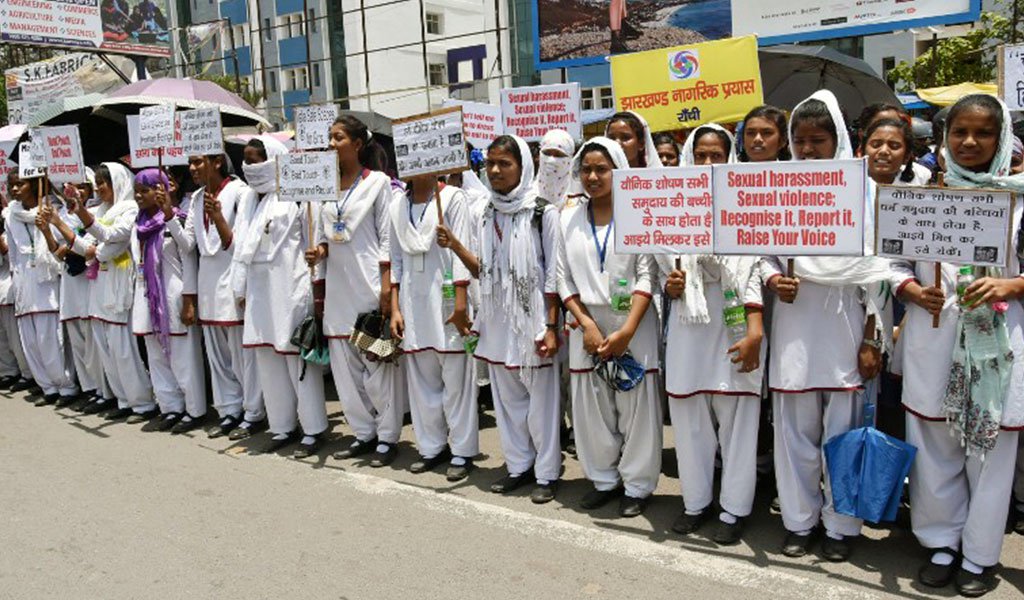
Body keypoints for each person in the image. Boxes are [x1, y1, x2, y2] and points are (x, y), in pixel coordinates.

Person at [760, 90, 899, 562]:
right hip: (794, 333)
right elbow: (763, 252)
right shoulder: (778, 191)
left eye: (817, 140)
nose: (807, 150)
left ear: (836, 139)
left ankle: (841, 527)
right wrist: (776, 278)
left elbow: (879, 275)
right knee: (794, 439)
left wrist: (870, 339)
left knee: (842, 440)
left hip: (845, 332)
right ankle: (800, 522)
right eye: (799, 141)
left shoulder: (865, 194)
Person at [894, 94, 1024, 596]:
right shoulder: (920, 197)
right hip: (934, 338)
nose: (969, 142)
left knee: (990, 454)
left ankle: (980, 555)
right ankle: (941, 542)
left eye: (983, 133)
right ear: (944, 139)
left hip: (999, 349)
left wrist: (1013, 285)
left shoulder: (1018, 201)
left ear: (1001, 140)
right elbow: (893, 264)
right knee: (933, 446)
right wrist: (909, 290)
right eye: (959, 133)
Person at [662, 124, 765, 545]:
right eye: (700, 155)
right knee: (689, 423)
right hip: (688, 327)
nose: (707, 164)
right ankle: (695, 503)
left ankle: (734, 509)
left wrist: (756, 331)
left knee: (737, 424)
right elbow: (657, 268)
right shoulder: (667, 209)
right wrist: (670, 285)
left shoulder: (747, 205)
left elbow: (756, 269)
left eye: (716, 155)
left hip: (734, 325)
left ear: (730, 158)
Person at [557, 137, 661, 516]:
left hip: (632, 322)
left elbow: (648, 275)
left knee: (636, 410)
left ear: (618, 170)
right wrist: (585, 324)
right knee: (591, 409)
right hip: (587, 326)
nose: (593, 176)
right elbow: (562, 279)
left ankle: (637, 486)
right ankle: (603, 479)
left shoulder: (638, 214)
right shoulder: (567, 218)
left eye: (602, 169)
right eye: (586, 169)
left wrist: (627, 331)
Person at [464, 134, 563, 503]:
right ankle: (518, 466)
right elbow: (484, 270)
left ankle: (547, 473)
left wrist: (551, 327)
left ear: (523, 166)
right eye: (490, 163)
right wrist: (456, 247)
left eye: (504, 164)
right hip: (498, 323)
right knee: (507, 405)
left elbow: (554, 275)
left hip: (533, 322)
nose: (494, 171)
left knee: (541, 408)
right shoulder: (484, 212)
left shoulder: (542, 212)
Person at [306, 115, 405, 468]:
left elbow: (385, 238)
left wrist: (384, 287)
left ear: (358, 144)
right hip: (337, 291)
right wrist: (316, 252)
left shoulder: (377, 183)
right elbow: (322, 238)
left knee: (377, 365)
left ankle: (388, 436)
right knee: (345, 370)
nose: (331, 144)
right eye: (329, 138)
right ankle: (363, 433)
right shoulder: (322, 185)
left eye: (338, 138)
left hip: (368, 285)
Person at [233, 137, 330, 458]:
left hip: (290, 287)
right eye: (245, 160)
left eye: (255, 159)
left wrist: (315, 286)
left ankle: (313, 429)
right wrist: (241, 288)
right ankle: (282, 426)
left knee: (296, 362)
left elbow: (314, 239)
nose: (249, 166)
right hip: (259, 292)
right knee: (267, 360)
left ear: (273, 160)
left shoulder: (296, 196)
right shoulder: (249, 200)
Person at [168, 153, 265, 438]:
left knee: (241, 356)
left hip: (232, 281)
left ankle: (253, 413)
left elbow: (240, 244)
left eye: (198, 162)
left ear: (218, 162)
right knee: (217, 357)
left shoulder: (241, 192)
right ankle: (229, 409)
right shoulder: (197, 198)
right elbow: (188, 245)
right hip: (208, 284)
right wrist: (169, 215)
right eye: (191, 163)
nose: (192, 168)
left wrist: (219, 217)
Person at [389, 174, 478, 481]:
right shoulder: (397, 203)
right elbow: (396, 260)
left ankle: (462, 451)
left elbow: (461, 252)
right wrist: (396, 308)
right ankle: (431, 447)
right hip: (413, 304)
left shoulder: (453, 198)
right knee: (422, 383)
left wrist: (461, 304)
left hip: (447, 300)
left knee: (456, 383)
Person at [54, 163, 152, 420]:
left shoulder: (129, 209)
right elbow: (91, 245)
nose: (98, 188)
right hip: (99, 284)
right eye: (96, 182)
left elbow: (110, 238)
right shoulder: (103, 209)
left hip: (119, 283)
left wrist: (92, 243)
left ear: (117, 182)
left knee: (122, 349)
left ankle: (141, 402)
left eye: (102, 183)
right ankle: (122, 400)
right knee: (105, 346)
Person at [128, 168, 207, 433]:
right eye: (136, 190)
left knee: (183, 358)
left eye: (145, 190)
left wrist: (189, 300)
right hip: (147, 298)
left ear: (161, 190)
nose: (139, 195)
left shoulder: (179, 219)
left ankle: (193, 410)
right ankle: (170, 407)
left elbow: (188, 256)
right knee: (157, 357)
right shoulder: (138, 226)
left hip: (173, 297)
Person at [6, 173, 78, 405]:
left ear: (34, 185)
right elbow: (14, 254)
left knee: (51, 339)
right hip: (24, 280)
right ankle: (47, 386)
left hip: (47, 279)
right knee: (31, 340)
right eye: (12, 186)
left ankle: (65, 387)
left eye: (21, 184)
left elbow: (61, 246)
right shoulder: (10, 214)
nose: (15, 189)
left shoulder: (51, 209)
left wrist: (46, 227)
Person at [55, 171, 109, 411]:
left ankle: (104, 391)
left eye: (83, 187)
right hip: (70, 281)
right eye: (72, 187)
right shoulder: (63, 214)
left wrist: (66, 238)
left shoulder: (97, 213)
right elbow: (57, 248)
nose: (77, 192)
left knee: (93, 342)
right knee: (77, 340)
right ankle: (90, 389)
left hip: (89, 282)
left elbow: (86, 248)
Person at [0, 188, 32, 393]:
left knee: (15, 336)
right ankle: (7, 371)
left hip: (8, 287)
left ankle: (27, 373)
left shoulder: (11, 225)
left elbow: (10, 255)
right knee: (1, 337)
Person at [861, 118, 927, 186]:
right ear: (863, 150)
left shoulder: (920, 183)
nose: (883, 151)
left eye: (894, 146)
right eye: (876, 145)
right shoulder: (851, 183)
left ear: (907, 156)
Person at [535, 129, 575, 208]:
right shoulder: (528, 198)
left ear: (569, 159)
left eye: (559, 155)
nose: (551, 160)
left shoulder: (578, 200)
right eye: (547, 153)